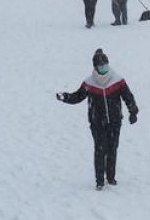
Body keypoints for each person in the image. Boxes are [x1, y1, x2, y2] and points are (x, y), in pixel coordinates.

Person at [57, 48, 139, 190]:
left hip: (114, 122)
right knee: (100, 150)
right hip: (97, 123)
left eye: (106, 65)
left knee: (112, 149)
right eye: (101, 66)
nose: (104, 68)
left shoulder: (118, 80)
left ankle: (111, 177)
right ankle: (99, 181)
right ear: (95, 67)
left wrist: (133, 111)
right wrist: (65, 97)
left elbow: (128, 96)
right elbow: (78, 96)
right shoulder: (89, 83)